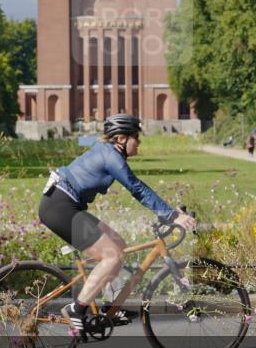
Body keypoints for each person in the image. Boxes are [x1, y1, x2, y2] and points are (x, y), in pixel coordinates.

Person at [37, 114, 198, 331]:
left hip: (63, 204)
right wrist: (172, 216)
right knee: (111, 255)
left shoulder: (107, 150)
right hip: (60, 207)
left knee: (118, 244)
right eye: (136, 137)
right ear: (121, 138)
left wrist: (170, 212)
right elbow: (137, 188)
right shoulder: (111, 156)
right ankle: (77, 309)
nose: (139, 141)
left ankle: (110, 306)